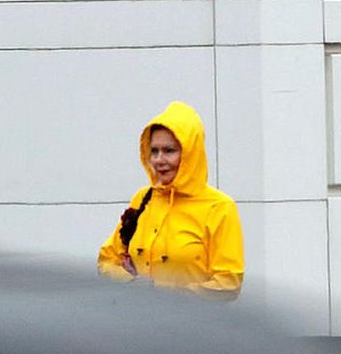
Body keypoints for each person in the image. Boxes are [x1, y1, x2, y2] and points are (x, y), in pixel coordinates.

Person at [97, 101, 243, 300]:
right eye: (154, 151)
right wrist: (130, 282)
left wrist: (163, 293)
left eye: (169, 151)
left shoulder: (219, 207)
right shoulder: (143, 199)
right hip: (137, 325)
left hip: (193, 327)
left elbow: (228, 284)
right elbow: (107, 260)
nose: (159, 160)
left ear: (191, 153)